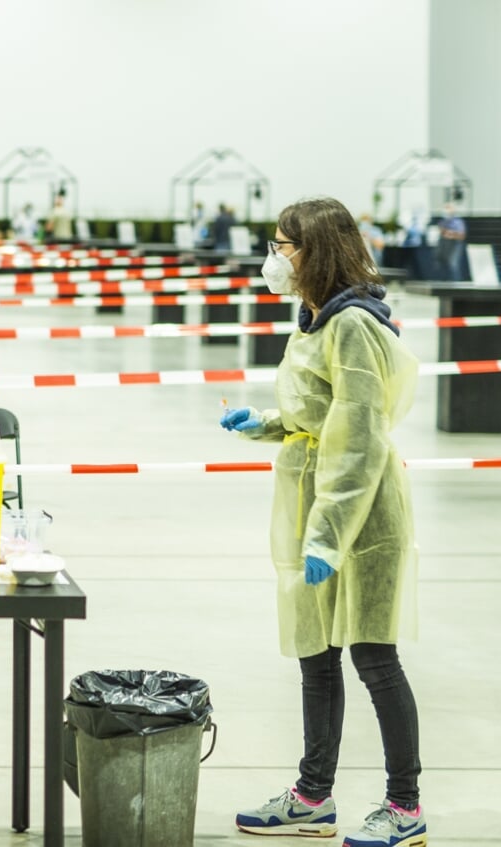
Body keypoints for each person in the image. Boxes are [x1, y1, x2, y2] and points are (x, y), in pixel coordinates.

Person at [220, 197, 425, 846]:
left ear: (314, 250)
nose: (272, 258)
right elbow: (318, 410)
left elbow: (358, 436)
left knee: (372, 654)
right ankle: (312, 794)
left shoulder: (353, 325)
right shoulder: (311, 317)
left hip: (357, 511)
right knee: (315, 653)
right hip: (312, 499)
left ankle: (404, 805)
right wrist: (265, 423)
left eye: (282, 246)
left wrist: (330, 533)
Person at [437, 202, 467, 280]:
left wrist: (451, 234)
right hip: (445, 245)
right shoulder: (443, 221)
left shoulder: (458, 222)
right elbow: (442, 232)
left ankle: (456, 285)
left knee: (453, 265)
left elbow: (461, 236)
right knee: (443, 265)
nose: (446, 210)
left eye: (448, 208)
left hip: (455, 245)